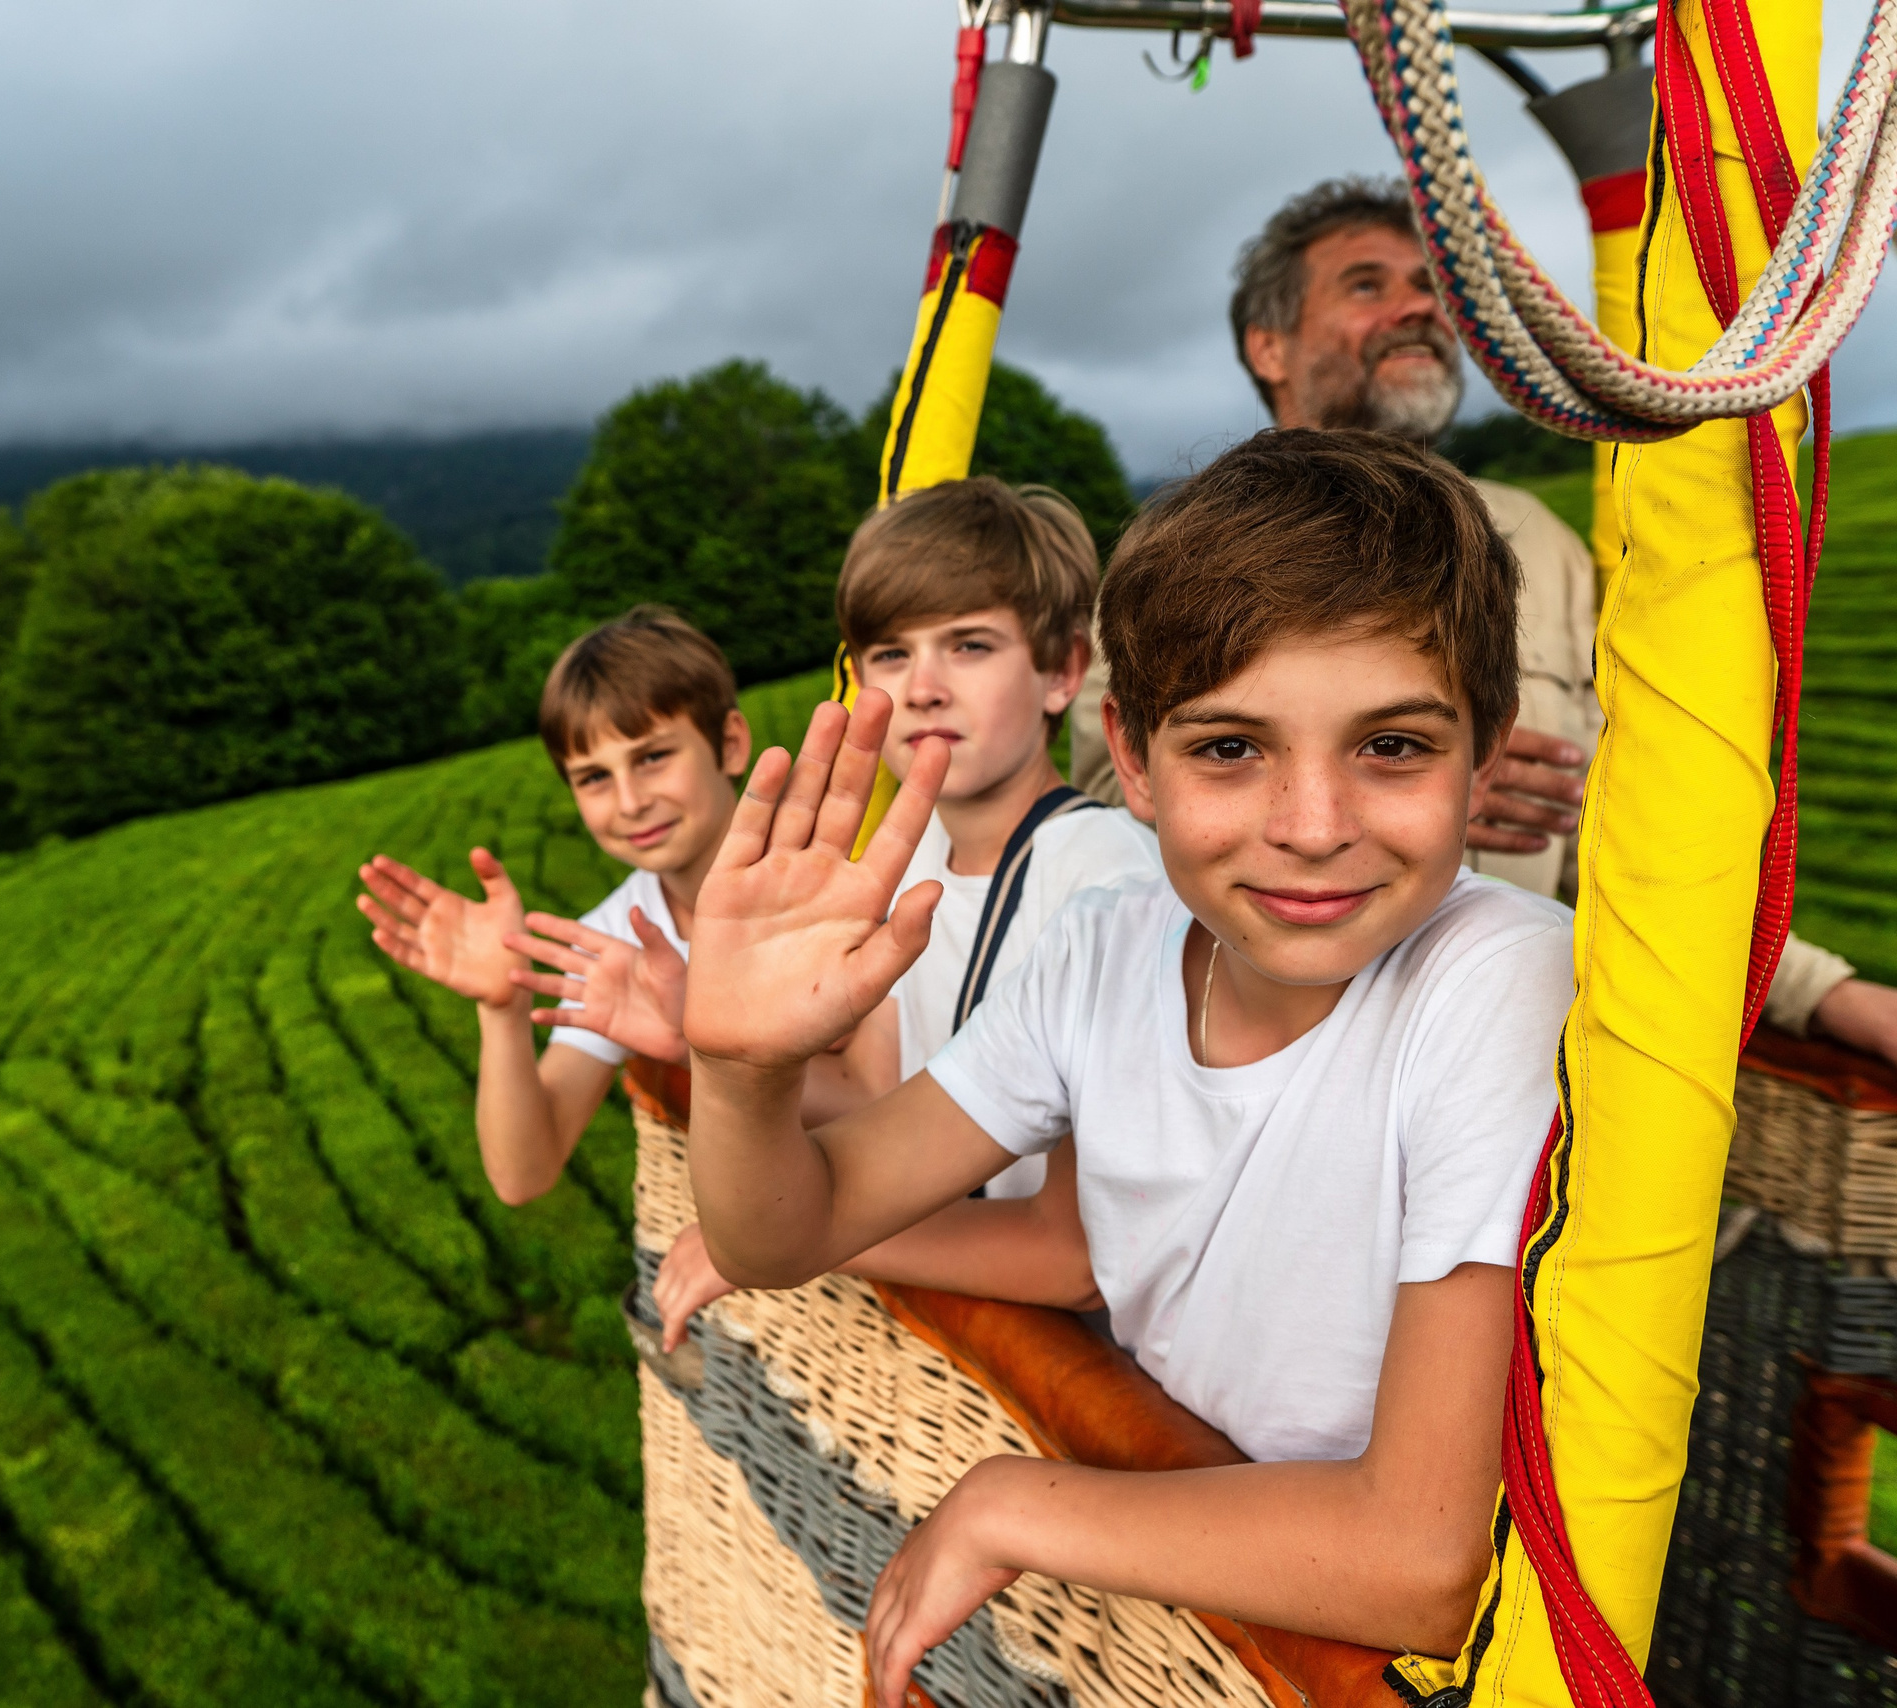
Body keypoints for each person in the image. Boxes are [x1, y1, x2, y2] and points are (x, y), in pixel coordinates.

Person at [683, 432, 1566, 1697]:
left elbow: (1424, 1556)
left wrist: (1013, 1504)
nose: (1311, 828)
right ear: (1134, 761)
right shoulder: (1106, 950)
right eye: (1228, 749)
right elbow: (789, 1226)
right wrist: (739, 1069)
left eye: (1390, 747)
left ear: (1484, 753)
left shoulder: (1497, 983)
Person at [1067, 176, 1897, 1063]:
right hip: (1244, 1046)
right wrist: (1417, 788)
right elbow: (1104, 809)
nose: (1417, 306)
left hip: (1505, 1052)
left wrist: (1826, 994)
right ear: (1268, 347)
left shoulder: (1538, 541)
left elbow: (1621, 830)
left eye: (1432, 285)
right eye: (1367, 284)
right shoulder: (1179, 552)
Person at [651, 477, 1158, 1349]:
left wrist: (807, 1240)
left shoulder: (1106, 882)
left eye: (968, 645)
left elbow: (1080, 1259)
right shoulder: (911, 856)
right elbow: (879, 1092)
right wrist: (706, 1038)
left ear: (1062, 671)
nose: (922, 688)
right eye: (890, 654)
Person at [356, 605, 748, 1205]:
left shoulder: (829, 872)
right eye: (593, 778)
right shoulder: (611, 939)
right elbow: (523, 1175)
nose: (629, 801)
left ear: (730, 744)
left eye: (652, 758)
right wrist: (503, 1007)